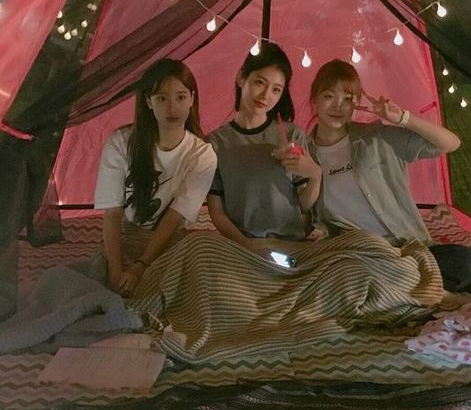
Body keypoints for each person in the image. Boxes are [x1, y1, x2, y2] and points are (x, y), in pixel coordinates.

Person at [308, 59, 471, 292]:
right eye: (329, 96)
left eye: (348, 99)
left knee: (468, 262)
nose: (338, 106)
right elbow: (309, 213)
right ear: (315, 99)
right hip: (363, 257)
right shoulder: (305, 155)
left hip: (409, 249)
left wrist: (403, 118)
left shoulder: (377, 137)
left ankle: (400, 291)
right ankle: (419, 291)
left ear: (355, 104)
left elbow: (450, 143)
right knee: (344, 277)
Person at [94, 59, 217, 296]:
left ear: (192, 99)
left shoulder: (202, 155)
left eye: (180, 97)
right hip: (126, 238)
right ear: (148, 101)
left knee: (205, 249)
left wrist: (141, 266)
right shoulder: (121, 143)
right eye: (162, 98)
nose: (172, 107)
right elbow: (112, 213)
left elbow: (174, 217)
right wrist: (116, 272)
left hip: (170, 242)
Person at [207, 42, 322, 256]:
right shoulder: (216, 143)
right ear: (241, 78)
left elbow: (303, 204)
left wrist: (316, 175)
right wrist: (247, 246)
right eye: (260, 82)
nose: (266, 95)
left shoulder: (292, 136)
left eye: (276, 90)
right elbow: (216, 211)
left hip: (291, 244)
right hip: (242, 246)